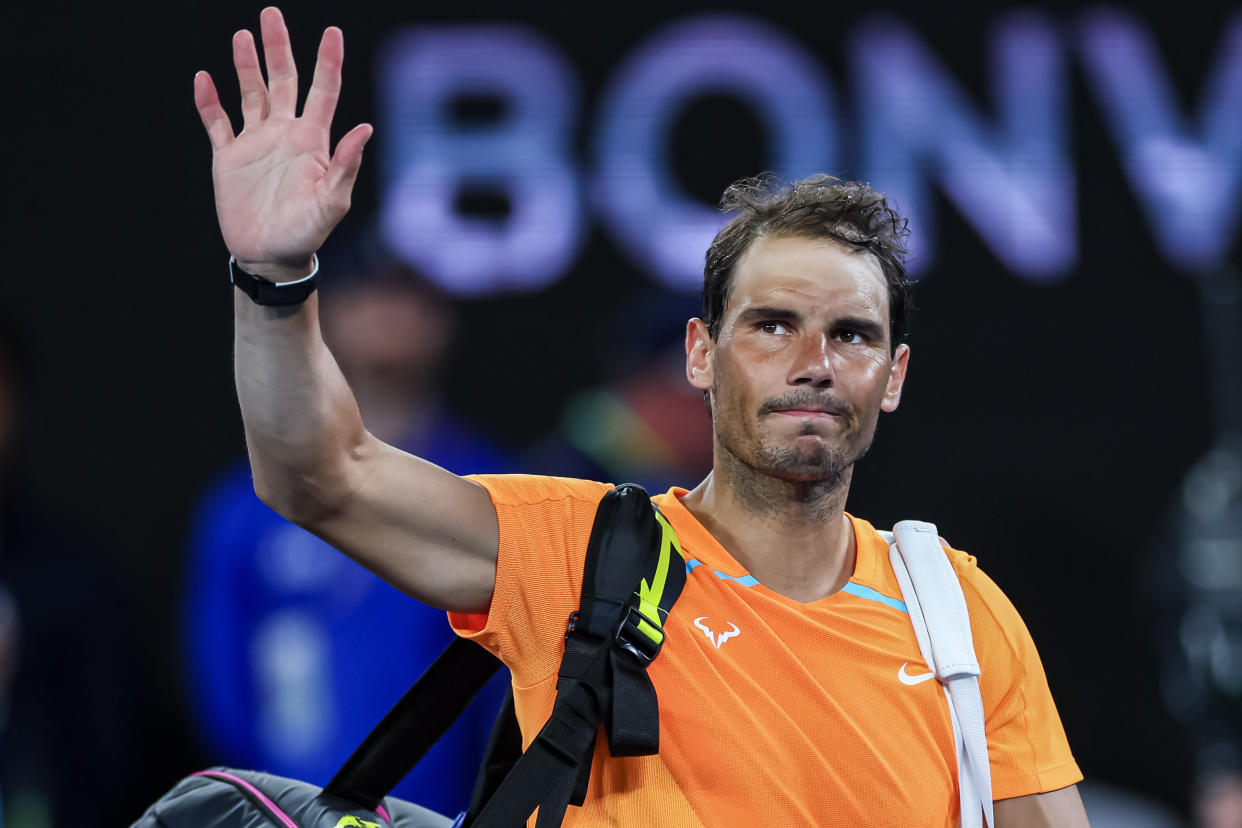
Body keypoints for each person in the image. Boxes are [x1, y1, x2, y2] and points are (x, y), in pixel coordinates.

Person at [193, 8, 1091, 825]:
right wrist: (274, 276)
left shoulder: (958, 614)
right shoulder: (578, 557)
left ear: (892, 376)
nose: (813, 363)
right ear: (701, 352)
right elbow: (320, 472)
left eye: (851, 334)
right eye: (772, 324)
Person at [182, 234, 511, 814]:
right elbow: (220, 675)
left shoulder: (493, 486)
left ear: (443, 322)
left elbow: (518, 670)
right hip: (288, 803)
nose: (388, 316)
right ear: (327, 312)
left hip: (445, 810)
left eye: (410, 299)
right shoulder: (252, 498)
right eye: (367, 296)